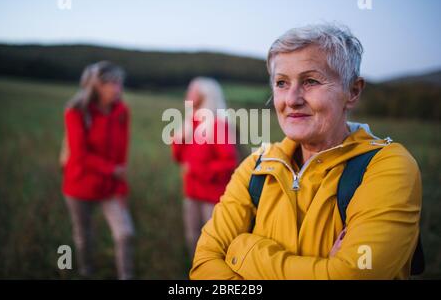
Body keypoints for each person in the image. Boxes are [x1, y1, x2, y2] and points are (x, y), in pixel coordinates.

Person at [190, 23, 422, 279]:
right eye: (281, 83)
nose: (292, 99)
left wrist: (244, 250)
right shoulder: (256, 166)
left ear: (353, 91)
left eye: (310, 81)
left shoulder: (388, 168)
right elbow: (203, 266)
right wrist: (325, 269)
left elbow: (352, 276)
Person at [61, 61, 135, 279]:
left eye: (119, 83)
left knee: (125, 234)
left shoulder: (122, 112)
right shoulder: (75, 112)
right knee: (83, 235)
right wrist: (111, 169)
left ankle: (126, 275)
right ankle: (87, 272)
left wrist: (121, 187)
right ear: (95, 86)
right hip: (79, 184)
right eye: (111, 84)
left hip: (110, 187)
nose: (117, 89)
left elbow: (122, 155)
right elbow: (79, 155)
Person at [171, 77, 239, 258]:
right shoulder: (191, 122)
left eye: (192, 90)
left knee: (213, 243)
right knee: (192, 237)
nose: (188, 94)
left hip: (212, 196)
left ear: (204, 96)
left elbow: (228, 163)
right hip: (191, 192)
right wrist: (178, 140)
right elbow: (178, 158)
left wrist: (197, 171)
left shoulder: (218, 125)